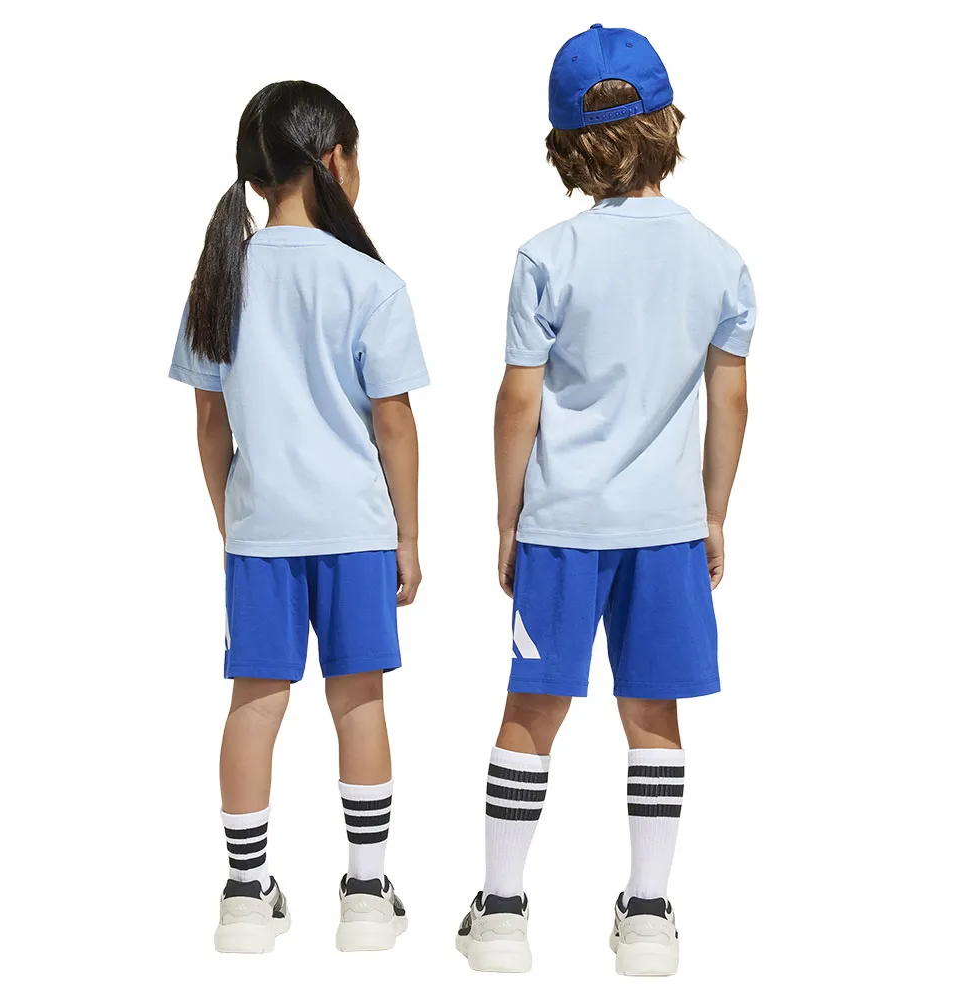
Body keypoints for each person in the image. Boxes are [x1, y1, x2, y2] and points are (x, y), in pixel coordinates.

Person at [455, 25, 755, 976]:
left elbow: (518, 402)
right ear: (669, 123)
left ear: (564, 145)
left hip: (563, 524)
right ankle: (650, 914)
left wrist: (507, 519)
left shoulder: (547, 255)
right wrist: (713, 513)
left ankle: (503, 912)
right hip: (666, 529)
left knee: (532, 709)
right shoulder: (720, 260)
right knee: (652, 715)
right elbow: (731, 401)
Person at [169, 80, 428, 955]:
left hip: (263, 533)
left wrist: (231, 521)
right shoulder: (370, 282)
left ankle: (246, 894)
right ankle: (366, 893)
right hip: (356, 530)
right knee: (359, 702)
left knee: (254, 703)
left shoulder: (220, 280)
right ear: (333, 160)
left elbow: (210, 423)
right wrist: (409, 535)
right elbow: (395, 422)